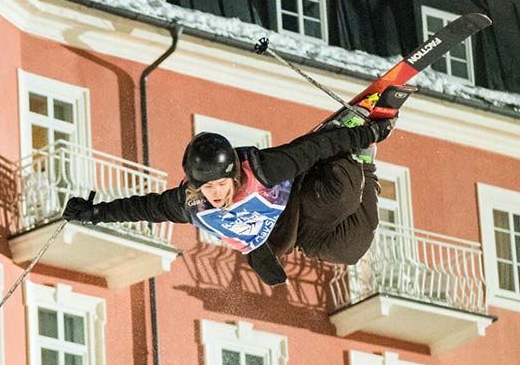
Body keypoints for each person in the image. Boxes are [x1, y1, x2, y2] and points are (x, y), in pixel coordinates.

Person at [62, 110, 401, 283]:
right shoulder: (191, 204)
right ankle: (366, 165)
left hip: (307, 190)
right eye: (208, 188)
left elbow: (311, 148)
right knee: (350, 249)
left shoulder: (263, 169)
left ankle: (353, 155)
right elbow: (145, 207)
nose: (216, 193)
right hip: (293, 233)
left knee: (339, 198)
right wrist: (95, 213)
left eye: (221, 185)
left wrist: (365, 133)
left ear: (233, 175)